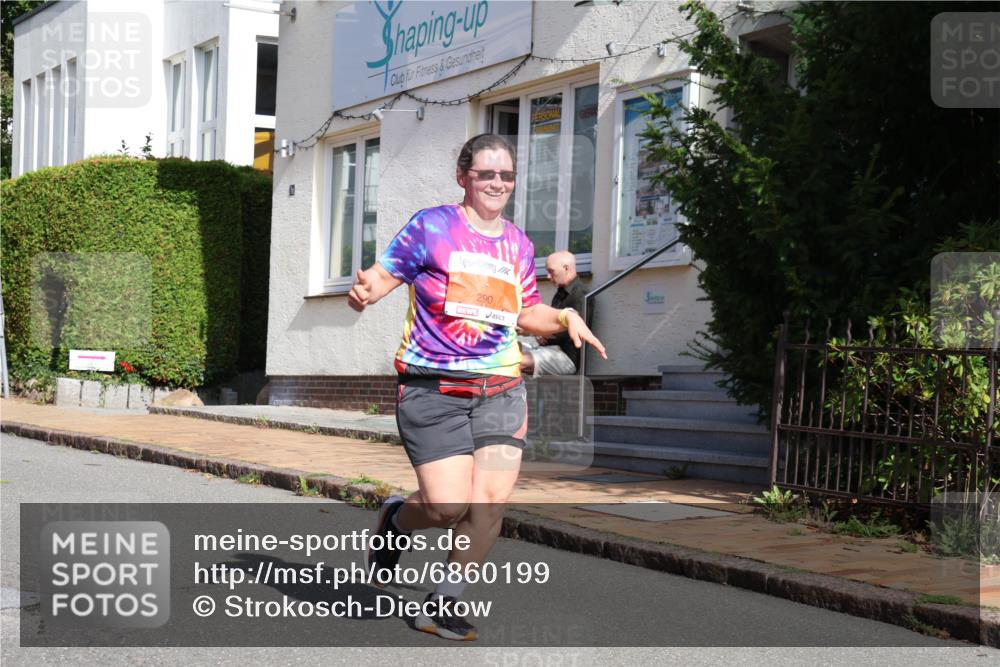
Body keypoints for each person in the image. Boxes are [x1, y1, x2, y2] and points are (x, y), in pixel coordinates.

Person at [348, 133, 607, 641]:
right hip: (433, 388)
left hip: (501, 387)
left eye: (506, 175)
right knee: (446, 506)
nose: (497, 183)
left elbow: (525, 312)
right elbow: (380, 279)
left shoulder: (517, 243)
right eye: (486, 173)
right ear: (463, 176)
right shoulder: (432, 226)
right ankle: (397, 520)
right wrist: (361, 294)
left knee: (487, 503)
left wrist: (563, 315)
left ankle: (443, 602)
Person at [519, 251, 588, 376]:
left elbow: (577, 330)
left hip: (566, 357)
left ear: (566, 268)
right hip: (550, 349)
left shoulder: (581, 295)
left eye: (551, 271)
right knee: (509, 348)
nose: (548, 276)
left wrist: (542, 332)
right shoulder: (560, 293)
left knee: (516, 361)